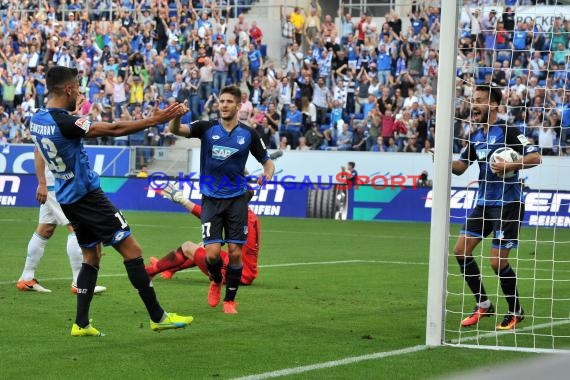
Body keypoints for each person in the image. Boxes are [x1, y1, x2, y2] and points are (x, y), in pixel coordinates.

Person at [30, 66, 191, 337]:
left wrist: (76, 113)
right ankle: (158, 316)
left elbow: (65, 126)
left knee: (92, 256)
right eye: (78, 88)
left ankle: (80, 324)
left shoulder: (37, 118)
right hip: (89, 198)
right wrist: (155, 120)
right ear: (68, 89)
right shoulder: (67, 123)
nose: (80, 93)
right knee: (133, 250)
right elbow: (114, 128)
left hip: (68, 198)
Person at [168, 85, 275, 314]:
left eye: (229, 101)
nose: (224, 105)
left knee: (236, 252)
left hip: (237, 199)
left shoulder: (248, 134)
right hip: (211, 199)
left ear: (238, 105)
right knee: (213, 254)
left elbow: (267, 162)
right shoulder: (206, 128)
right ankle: (216, 280)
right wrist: (176, 117)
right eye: (222, 101)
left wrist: (267, 174)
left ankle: (230, 300)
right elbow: (176, 130)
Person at [450, 84, 541, 330]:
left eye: (478, 100)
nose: (473, 105)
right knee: (461, 250)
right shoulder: (476, 136)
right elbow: (460, 167)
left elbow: (536, 157)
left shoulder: (508, 131)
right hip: (483, 203)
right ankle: (483, 305)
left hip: (508, 204)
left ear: (492, 105)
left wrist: (510, 166)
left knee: (496, 262)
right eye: (472, 100)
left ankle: (515, 311)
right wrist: (442, 158)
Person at [16, 152, 106, 295]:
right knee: (76, 227)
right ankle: (79, 282)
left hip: (55, 181)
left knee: (46, 228)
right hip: (57, 182)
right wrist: (42, 183)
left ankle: (26, 278)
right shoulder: (53, 129)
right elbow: (38, 150)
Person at [146, 183, 260, 286]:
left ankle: (153, 270)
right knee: (204, 247)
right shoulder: (249, 215)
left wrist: (182, 201)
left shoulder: (237, 216)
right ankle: (169, 269)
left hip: (236, 273)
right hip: (247, 270)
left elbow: (206, 215)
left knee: (188, 247)